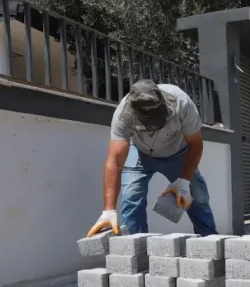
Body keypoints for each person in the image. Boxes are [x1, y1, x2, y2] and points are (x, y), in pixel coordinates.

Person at [86, 79, 219, 237]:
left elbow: (196, 144)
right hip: (140, 153)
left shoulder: (181, 103)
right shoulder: (123, 115)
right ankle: (134, 251)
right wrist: (108, 210)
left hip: (178, 153)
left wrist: (183, 181)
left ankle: (210, 244)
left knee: (197, 195)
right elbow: (114, 160)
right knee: (131, 197)